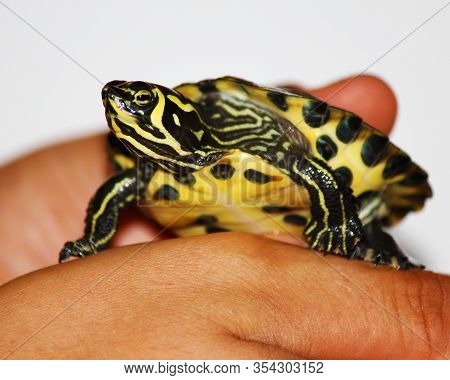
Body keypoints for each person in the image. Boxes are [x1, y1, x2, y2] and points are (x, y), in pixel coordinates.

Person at [0, 75, 448, 359]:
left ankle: (357, 232)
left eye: (138, 98)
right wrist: (91, 240)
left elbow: (311, 168)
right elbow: (114, 190)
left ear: (179, 115)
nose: (120, 103)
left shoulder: (243, 127)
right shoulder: (147, 177)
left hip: (333, 201)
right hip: (231, 226)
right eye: (117, 107)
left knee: (368, 249)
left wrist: (334, 219)